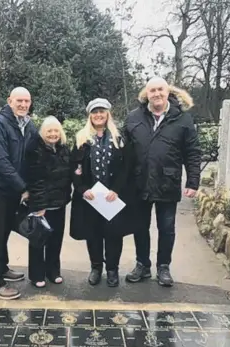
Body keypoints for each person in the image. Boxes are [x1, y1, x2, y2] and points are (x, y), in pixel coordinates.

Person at [124, 77, 201, 287]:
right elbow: (125, 153)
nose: (156, 94)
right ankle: (142, 265)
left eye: (160, 90)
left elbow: (192, 152)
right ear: (146, 94)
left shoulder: (182, 119)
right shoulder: (133, 118)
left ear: (168, 92)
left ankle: (164, 267)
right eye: (152, 90)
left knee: (166, 227)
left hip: (168, 181)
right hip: (140, 182)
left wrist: (193, 181)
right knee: (140, 226)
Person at [69, 98, 136, 287]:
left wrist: (116, 189)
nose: (98, 115)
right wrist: (82, 189)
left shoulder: (119, 137)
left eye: (102, 111)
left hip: (112, 197)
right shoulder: (81, 138)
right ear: (89, 115)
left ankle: (112, 269)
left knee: (114, 234)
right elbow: (74, 166)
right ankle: (96, 267)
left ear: (108, 114)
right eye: (95, 112)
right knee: (93, 234)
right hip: (90, 197)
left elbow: (127, 166)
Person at [0, 87, 38, 300]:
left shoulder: (29, 125)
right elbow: (0, 160)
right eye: (19, 101)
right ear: (10, 101)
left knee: (5, 230)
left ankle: (2, 267)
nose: (23, 105)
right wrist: (23, 187)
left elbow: (32, 156)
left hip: (16, 189)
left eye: (27, 101)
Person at [24, 116, 72, 288]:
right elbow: (35, 181)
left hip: (59, 203)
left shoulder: (64, 149)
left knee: (55, 240)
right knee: (38, 239)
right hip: (41, 205)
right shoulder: (35, 150)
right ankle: (37, 274)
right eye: (49, 131)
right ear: (43, 133)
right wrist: (39, 205)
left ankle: (53, 271)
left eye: (56, 130)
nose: (53, 134)